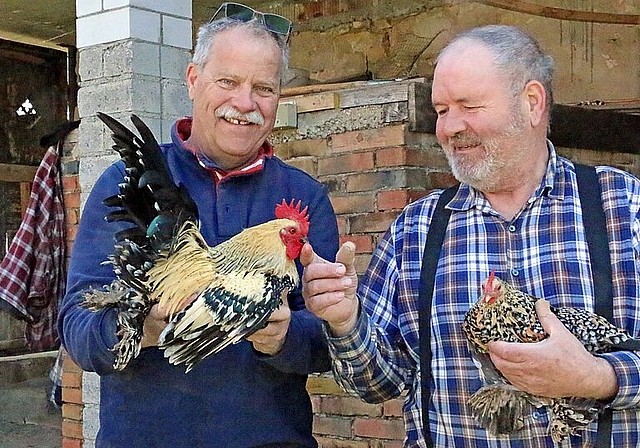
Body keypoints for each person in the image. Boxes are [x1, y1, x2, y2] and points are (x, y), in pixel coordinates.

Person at [300, 24, 640, 447]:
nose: (450, 127)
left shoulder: (623, 207)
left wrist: (598, 377)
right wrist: (345, 319)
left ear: (532, 103)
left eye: (469, 105)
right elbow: (377, 385)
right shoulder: (417, 230)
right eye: (442, 110)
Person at [58, 3, 339, 447]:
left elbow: (330, 344)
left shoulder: (304, 198)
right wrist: (144, 327)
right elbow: (77, 328)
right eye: (227, 81)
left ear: (278, 98)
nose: (244, 103)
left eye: (263, 88)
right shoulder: (128, 185)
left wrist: (284, 338)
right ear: (193, 80)